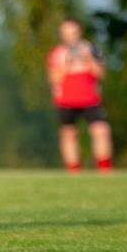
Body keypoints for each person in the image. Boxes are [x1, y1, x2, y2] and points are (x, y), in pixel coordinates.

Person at [47, 17, 114, 172]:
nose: (70, 37)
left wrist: (88, 59)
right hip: (66, 99)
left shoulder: (91, 49)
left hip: (90, 98)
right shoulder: (57, 52)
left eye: (73, 33)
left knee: (101, 130)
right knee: (69, 133)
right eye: (66, 33)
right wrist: (66, 64)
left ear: (79, 32)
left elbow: (101, 74)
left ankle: (105, 170)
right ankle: (73, 171)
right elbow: (53, 78)